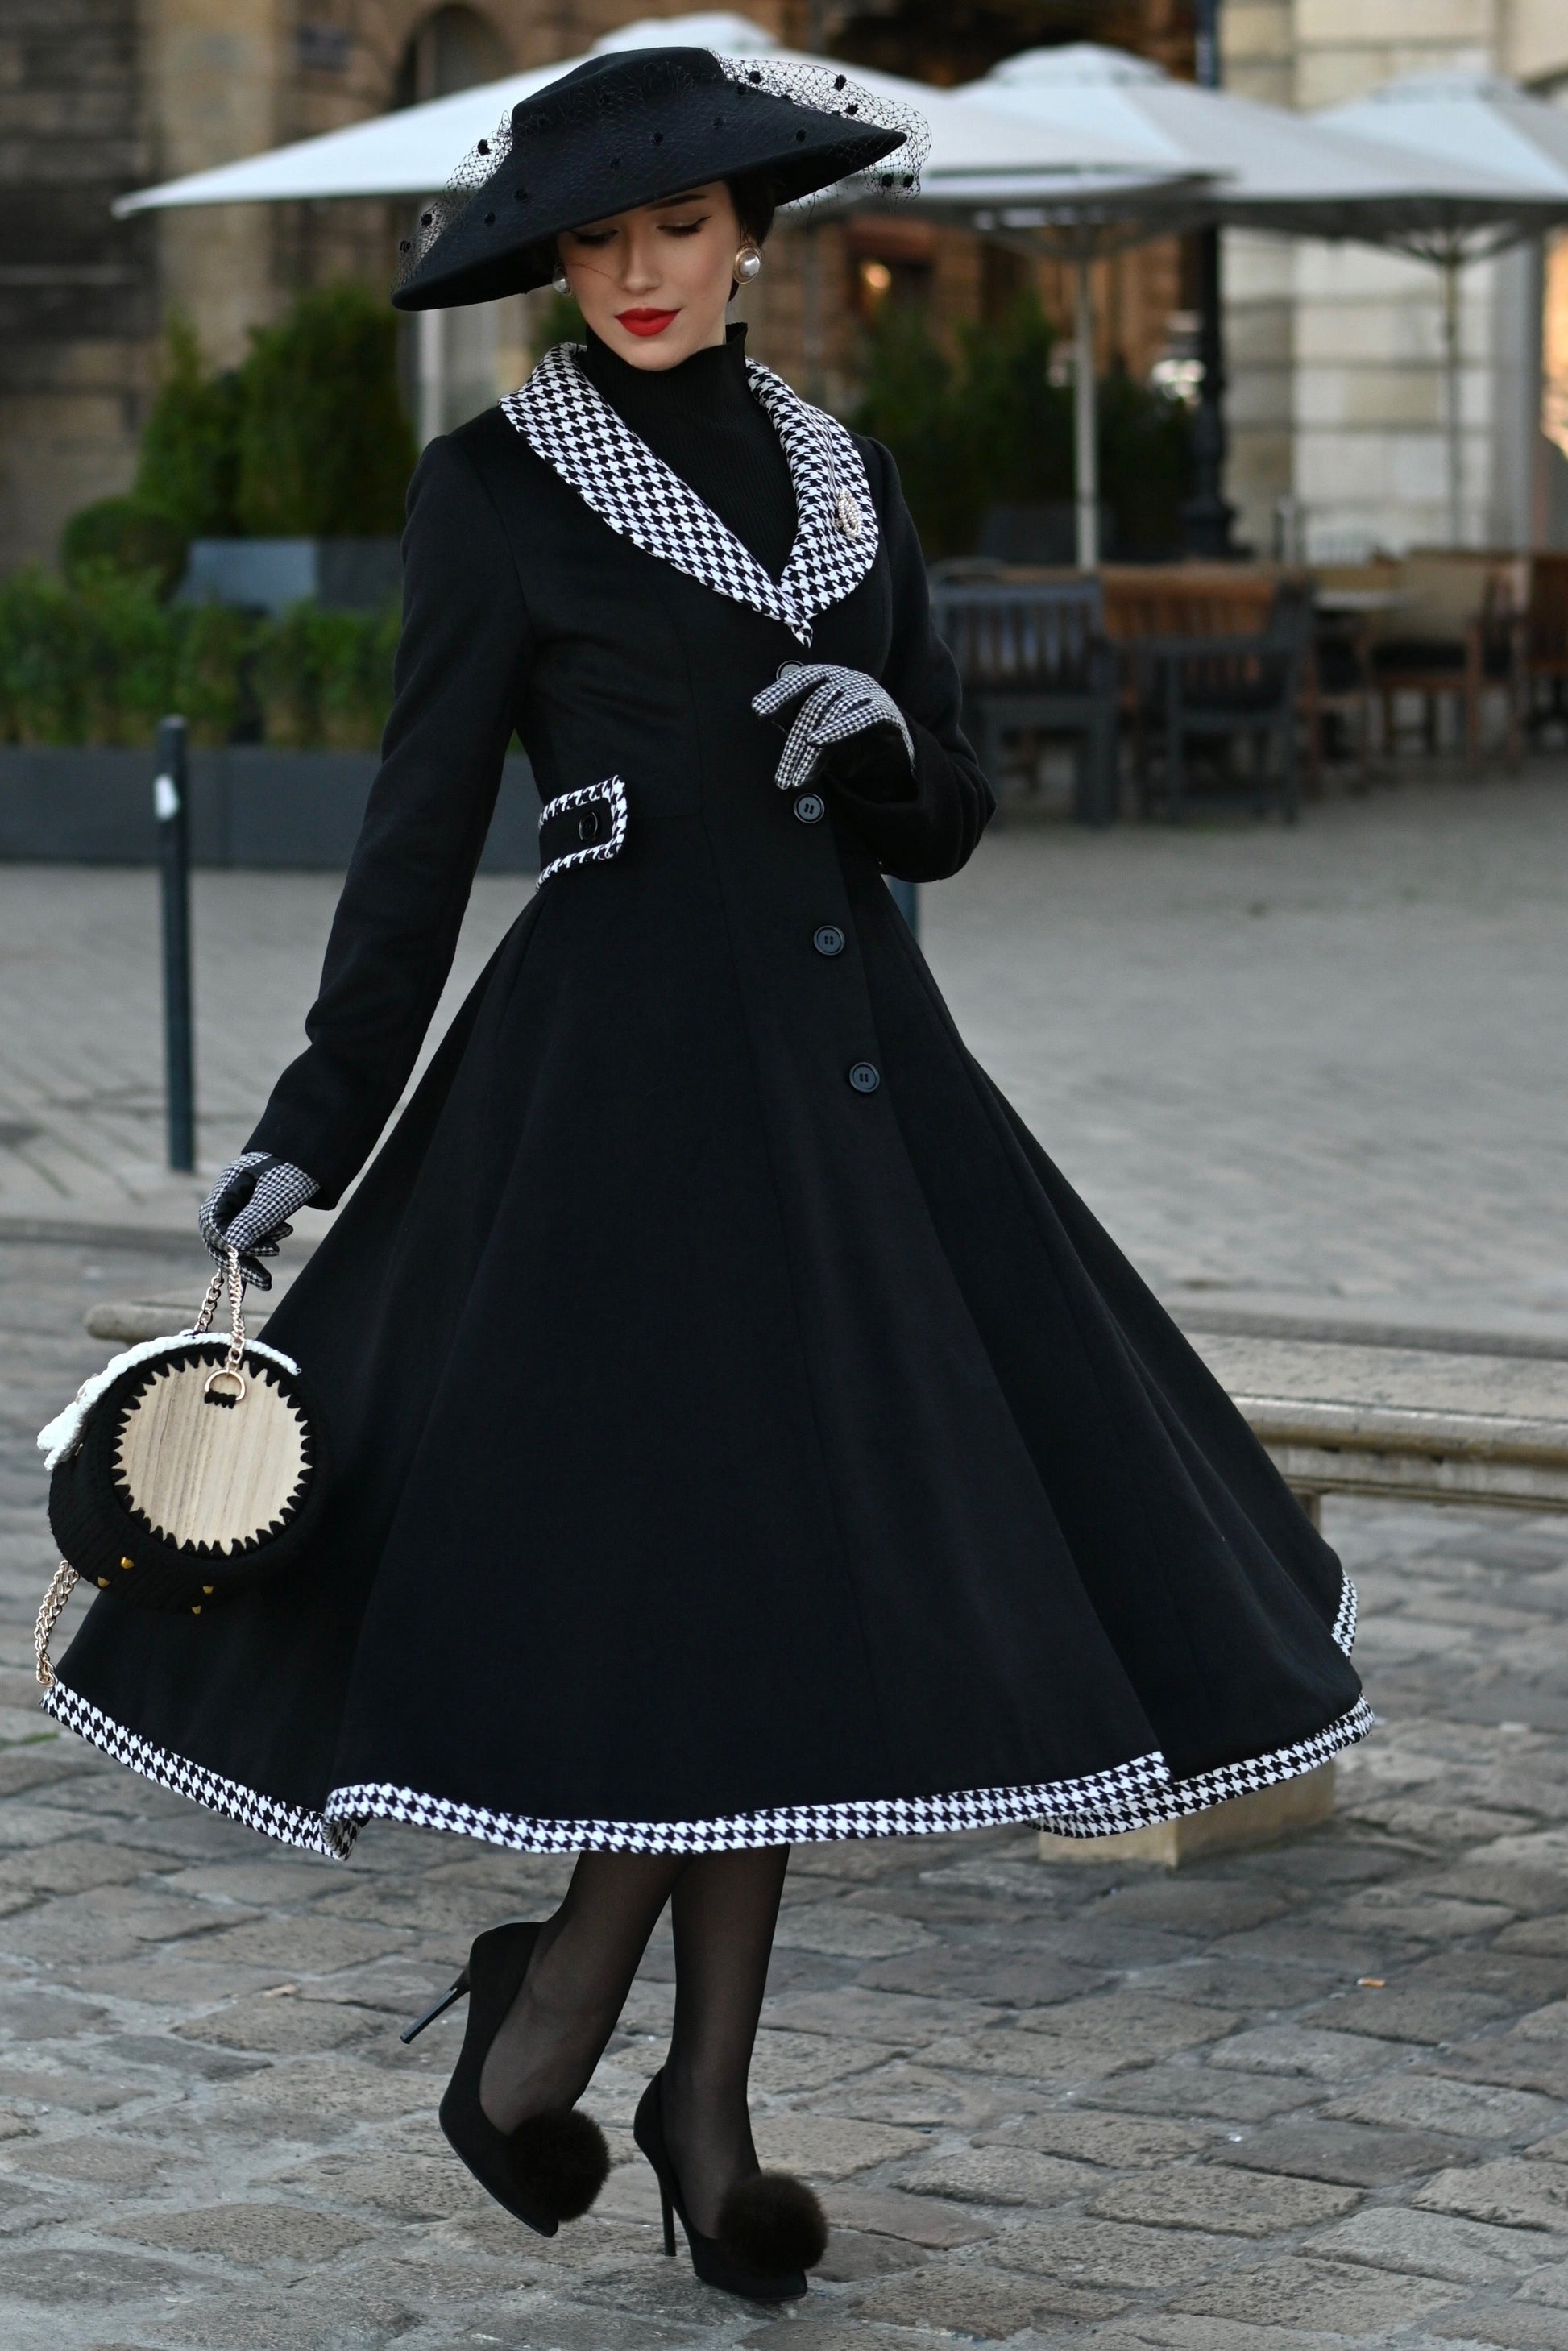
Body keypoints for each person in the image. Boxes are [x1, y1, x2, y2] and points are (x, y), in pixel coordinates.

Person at [40, 45, 1368, 2307]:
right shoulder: (495, 489)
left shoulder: (846, 476)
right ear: (553, 264)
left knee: (774, 1604)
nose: (639, 273)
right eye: (591, 241)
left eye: (674, 227)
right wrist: (315, 1120)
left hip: (855, 1095)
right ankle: (595, 2045)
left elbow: (949, 804)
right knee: (694, 1593)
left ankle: (674, 2086)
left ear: (751, 222)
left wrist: (883, 753)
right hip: (614, 1110)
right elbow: (412, 837)